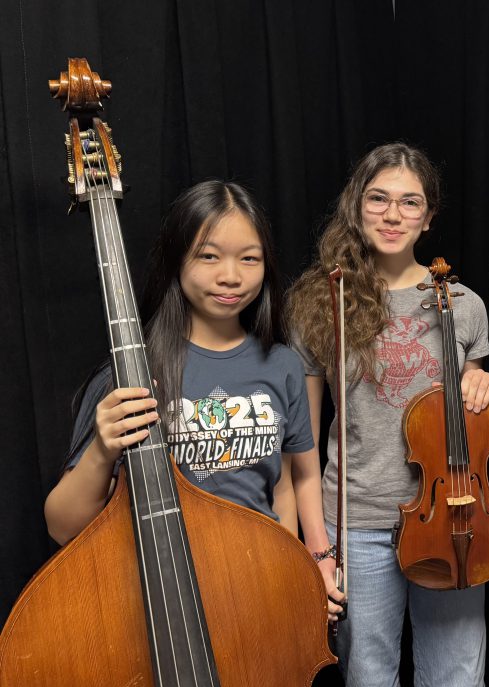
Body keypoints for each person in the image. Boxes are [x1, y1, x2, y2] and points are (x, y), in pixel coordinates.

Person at [44, 179, 344, 621]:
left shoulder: (281, 366)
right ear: (176, 261)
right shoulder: (131, 372)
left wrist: (302, 566)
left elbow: (285, 481)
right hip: (161, 596)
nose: (231, 276)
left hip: (257, 583)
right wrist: (101, 451)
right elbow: (62, 527)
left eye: (249, 258)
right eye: (209, 255)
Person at [287, 142, 489, 687]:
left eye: (410, 202)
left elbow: (472, 425)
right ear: (357, 208)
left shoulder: (463, 305)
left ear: (428, 217)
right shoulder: (319, 301)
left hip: (451, 518)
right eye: (378, 199)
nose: (392, 214)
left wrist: (483, 386)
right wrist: (317, 545)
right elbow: (302, 443)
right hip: (358, 523)